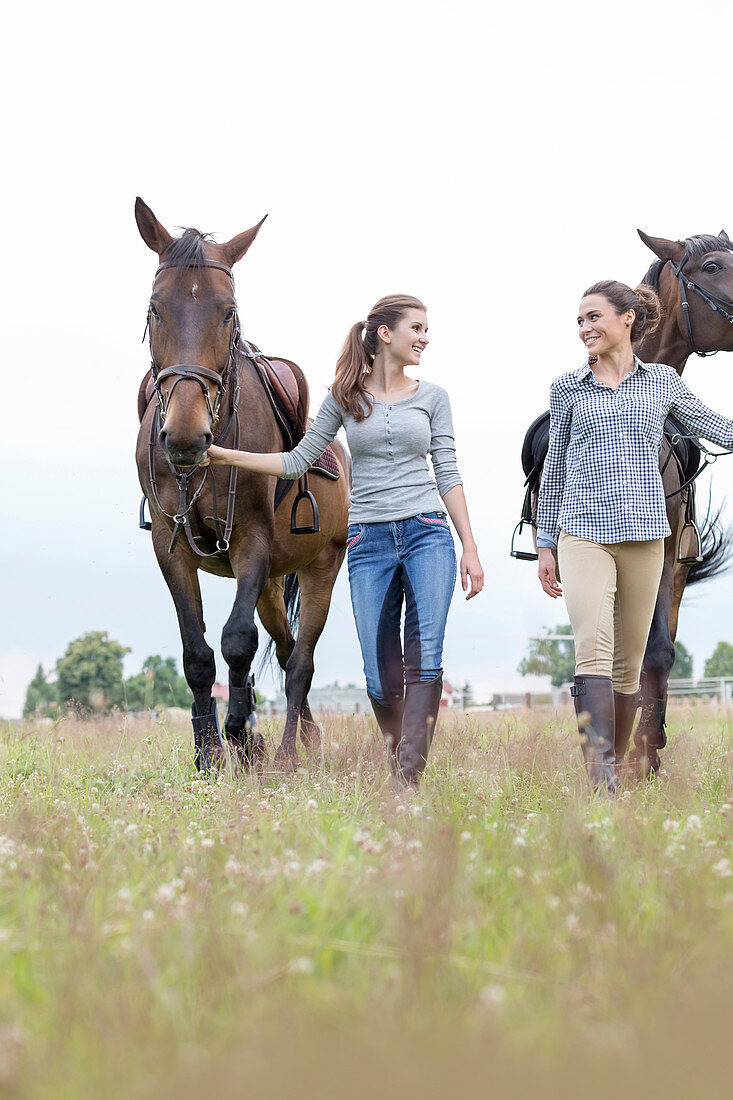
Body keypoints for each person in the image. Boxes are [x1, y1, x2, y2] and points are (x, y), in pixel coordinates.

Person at [205, 294, 484, 786]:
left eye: (426, 329)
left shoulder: (434, 397)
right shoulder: (344, 399)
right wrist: (227, 456)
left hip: (428, 534)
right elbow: (296, 461)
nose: (424, 338)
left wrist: (470, 546)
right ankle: (400, 754)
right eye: (416, 328)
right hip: (368, 541)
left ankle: (406, 778)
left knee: (426, 656)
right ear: (384, 334)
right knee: (380, 674)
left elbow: (448, 473)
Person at [536, 280, 733, 792]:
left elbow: (718, 429)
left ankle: (614, 766)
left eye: (594, 317)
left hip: (647, 537)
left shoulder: (662, 383)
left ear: (627, 319)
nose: (585, 329)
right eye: (579, 321)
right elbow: (554, 467)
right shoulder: (567, 388)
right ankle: (599, 777)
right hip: (583, 534)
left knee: (627, 669)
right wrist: (544, 544)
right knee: (591, 648)